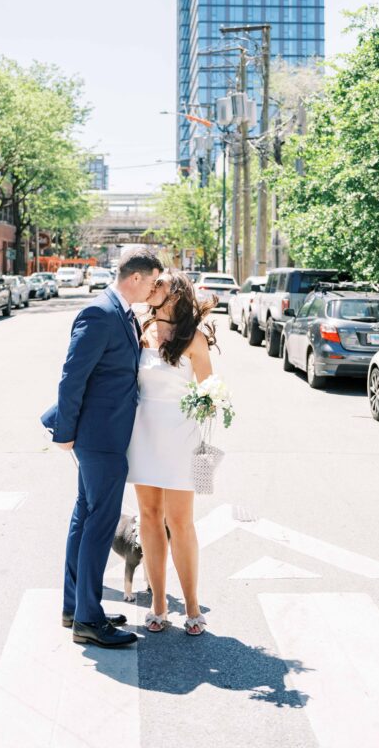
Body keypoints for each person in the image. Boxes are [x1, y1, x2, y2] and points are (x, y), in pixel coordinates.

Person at [41, 246, 163, 648]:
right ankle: (89, 621)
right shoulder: (100, 313)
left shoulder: (122, 313)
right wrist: (65, 432)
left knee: (85, 518)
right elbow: (72, 376)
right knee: (99, 523)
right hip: (98, 437)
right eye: (153, 280)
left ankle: (76, 607)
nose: (154, 288)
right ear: (136, 277)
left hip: (105, 434)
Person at [127, 270, 217, 636]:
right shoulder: (139, 331)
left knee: (181, 523)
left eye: (160, 284)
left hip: (182, 439)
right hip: (142, 436)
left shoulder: (194, 339)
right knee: (149, 517)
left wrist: (210, 401)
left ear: (176, 294)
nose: (152, 287)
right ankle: (158, 604)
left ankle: (192, 606)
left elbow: (210, 391)